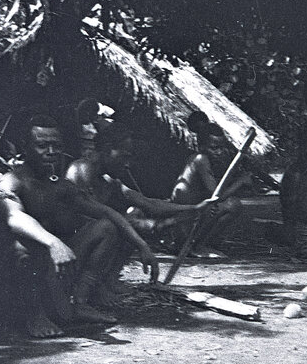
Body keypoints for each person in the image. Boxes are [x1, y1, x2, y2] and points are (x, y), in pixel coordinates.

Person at [0, 115, 160, 338]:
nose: (50, 151)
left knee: (106, 227)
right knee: (21, 246)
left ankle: (79, 302)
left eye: (56, 146)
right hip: (25, 267)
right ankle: (34, 315)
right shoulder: (12, 181)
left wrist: (142, 246)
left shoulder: (60, 186)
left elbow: (107, 212)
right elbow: (14, 217)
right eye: (42, 145)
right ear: (26, 147)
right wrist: (53, 242)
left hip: (55, 268)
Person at [65, 122, 216, 302]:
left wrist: (194, 208)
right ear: (107, 150)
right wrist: (144, 240)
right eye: (125, 156)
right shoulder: (82, 169)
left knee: (133, 216)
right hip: (69, 249)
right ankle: (85, 294)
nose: (128, 165)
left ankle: (107, 281)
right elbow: (97, 217)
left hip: (87, 244)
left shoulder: (108, 180)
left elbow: (148, 203)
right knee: (119, 225)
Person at [171, 123, 249, 258]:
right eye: (214, 148)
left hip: (188, 217)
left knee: (221, 205)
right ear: (201, 147)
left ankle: (199, 243)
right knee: (233, 204)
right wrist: (240, 182)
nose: (219, 152)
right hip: (183, 222)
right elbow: (216, 195)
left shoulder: (204, 159)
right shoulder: (201, 159)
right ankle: (197, 246)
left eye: (222, 147)